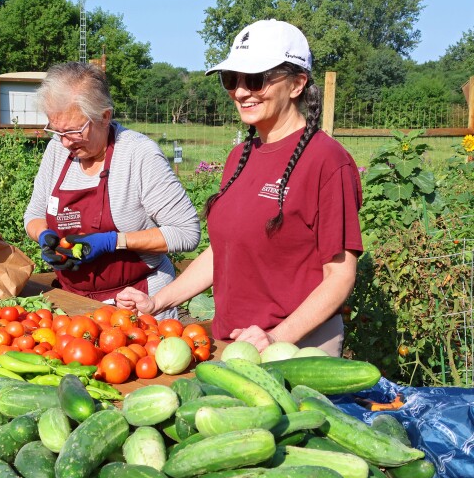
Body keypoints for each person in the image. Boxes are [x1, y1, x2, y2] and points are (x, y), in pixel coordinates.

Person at [117, 20, 363, 356]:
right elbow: (224, 250)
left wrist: (276, 338)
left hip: (296, 348)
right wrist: (158, 301)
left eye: (256, 79)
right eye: (231, 80)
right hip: (232, 343)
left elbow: (339, 276)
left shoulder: (328, 161)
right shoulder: (240, 156)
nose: (241, 91)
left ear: (297, 84)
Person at [24, 62, 200, 318]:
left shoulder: (138, 154)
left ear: (104, 116)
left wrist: (114, 241)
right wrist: (45, 237)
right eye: (56, 130)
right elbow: (34, 215)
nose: (64, 141)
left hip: (138, 304)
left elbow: (186, 233)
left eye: (73, 131)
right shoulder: (57, 151)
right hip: (73, 303)